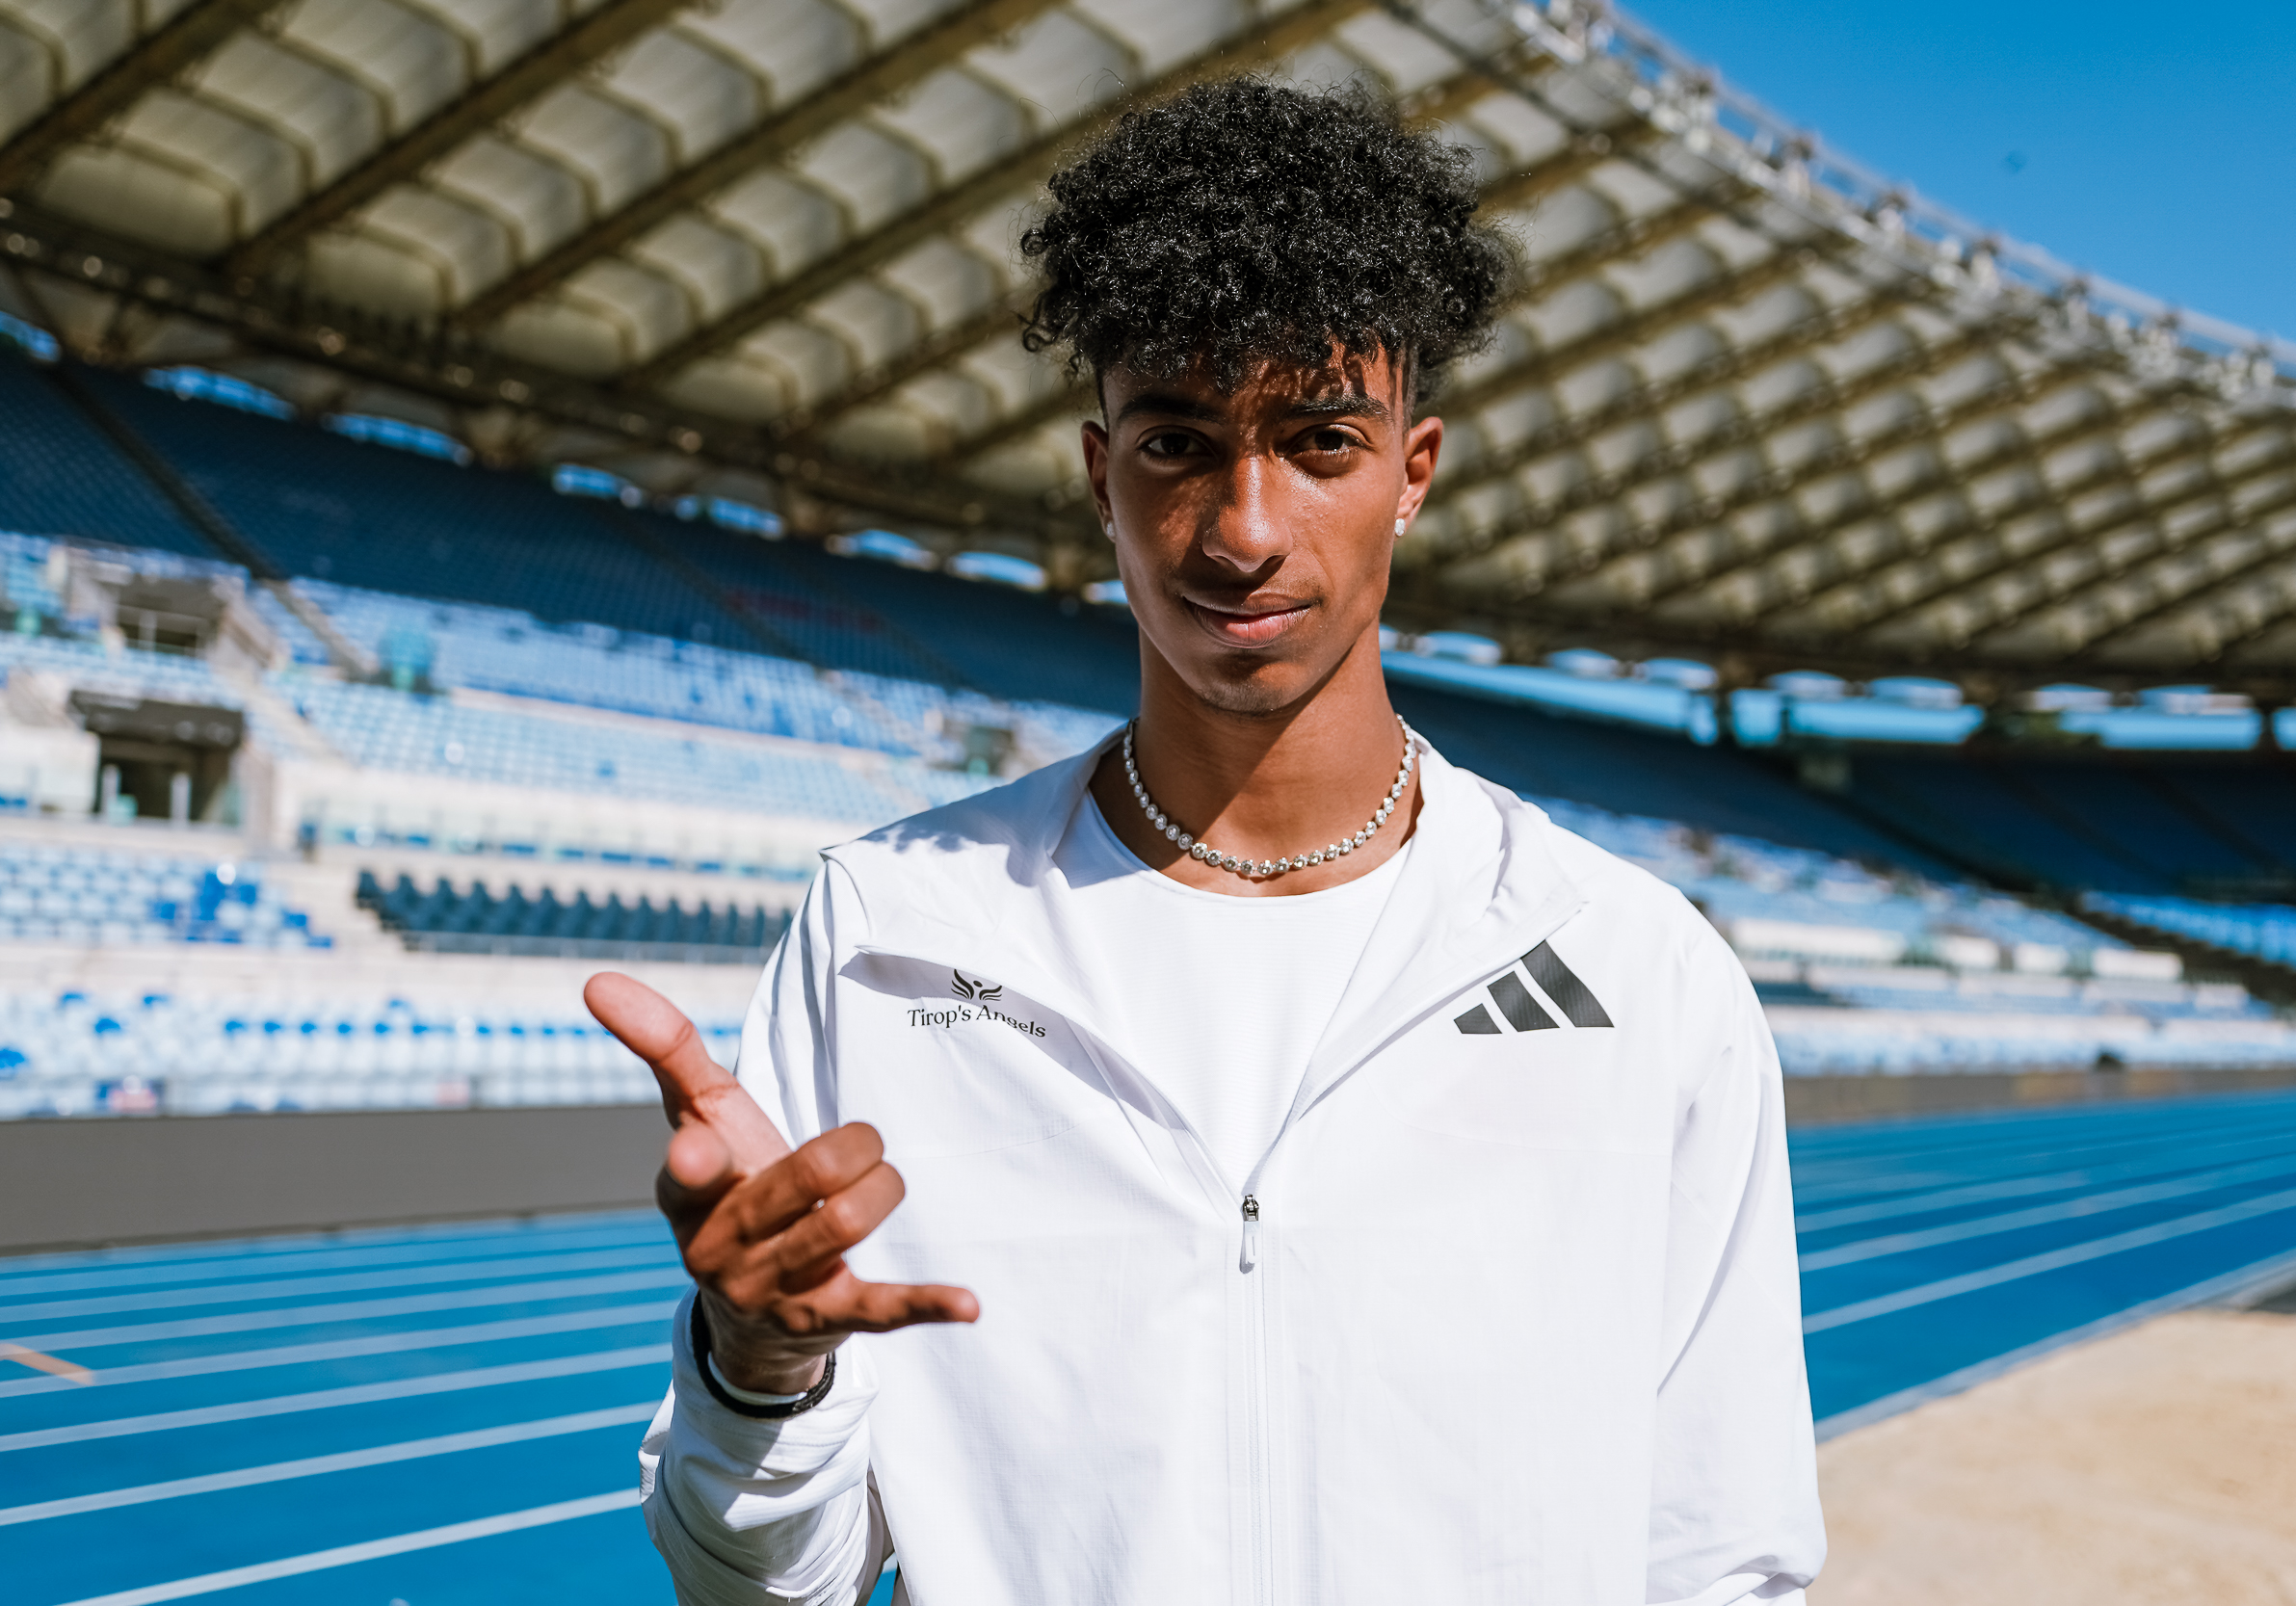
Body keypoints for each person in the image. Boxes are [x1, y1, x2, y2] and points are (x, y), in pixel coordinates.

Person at [589, 76, 1823, 1606]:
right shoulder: (889, 934)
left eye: (1320, 440)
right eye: (1178, 442)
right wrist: (760, 1374)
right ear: (1100, 476)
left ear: (1413, 473)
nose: (1244, 530)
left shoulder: (1637, 969)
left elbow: (1725, 1562)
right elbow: (766, 1587)